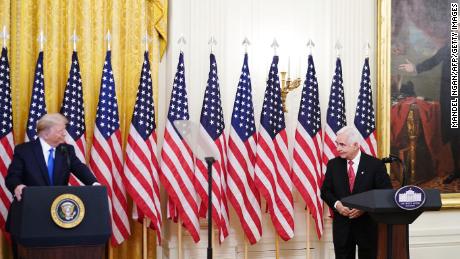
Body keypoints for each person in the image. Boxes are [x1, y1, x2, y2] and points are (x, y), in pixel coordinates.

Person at [5, 113, 99, 258]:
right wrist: (17, 186)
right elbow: (12, 177)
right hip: (30, 216)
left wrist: (94, 184)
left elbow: (79, 168)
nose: (64, 134)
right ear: (46, 132)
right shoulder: (24, 151)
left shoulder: (66, 150)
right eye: (60, 131)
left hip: (58, 216)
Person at [321, 126, 392, 259]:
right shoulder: (333, 165)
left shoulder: (375, 165)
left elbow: (385, 193)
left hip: (367, 227)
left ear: (355, 145)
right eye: (337, 144)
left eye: (342, 144)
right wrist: (337, 205)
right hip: (342, 228)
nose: (338, 148)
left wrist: (364, 208)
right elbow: (325, 191)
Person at [399, 44, 460, 184]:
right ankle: (457, 170)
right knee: (455, 136)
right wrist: (415, 68)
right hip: (452, 100)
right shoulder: (450, 46)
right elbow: (433, 61)